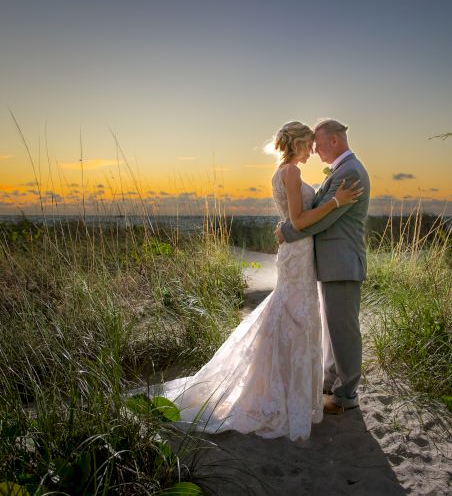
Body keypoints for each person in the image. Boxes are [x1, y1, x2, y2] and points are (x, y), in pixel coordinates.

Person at [147, 121, 362, 441]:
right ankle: (287, 391)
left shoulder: (288, 171)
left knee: (295, 316)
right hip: (297, 252)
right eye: (309, 144)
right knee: (294, 316)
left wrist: (314, 213)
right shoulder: (291, 173)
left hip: (300, 252)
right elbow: (300, 220)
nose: (313, 150)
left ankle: (293, 387)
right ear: (299, 143)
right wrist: (335, 202)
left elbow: (297, 218)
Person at [275, 119, 371, 415]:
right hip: (331, 263)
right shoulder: (342, 170)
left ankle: (346, 397)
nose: (315, 151)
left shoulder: (351, 172)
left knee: (344, 329)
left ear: (334, 141)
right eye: (309, 145)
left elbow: (328, 218)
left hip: (342, 262)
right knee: (333, 327)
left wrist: (287, 232)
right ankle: (331, 381)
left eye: (318, 144)